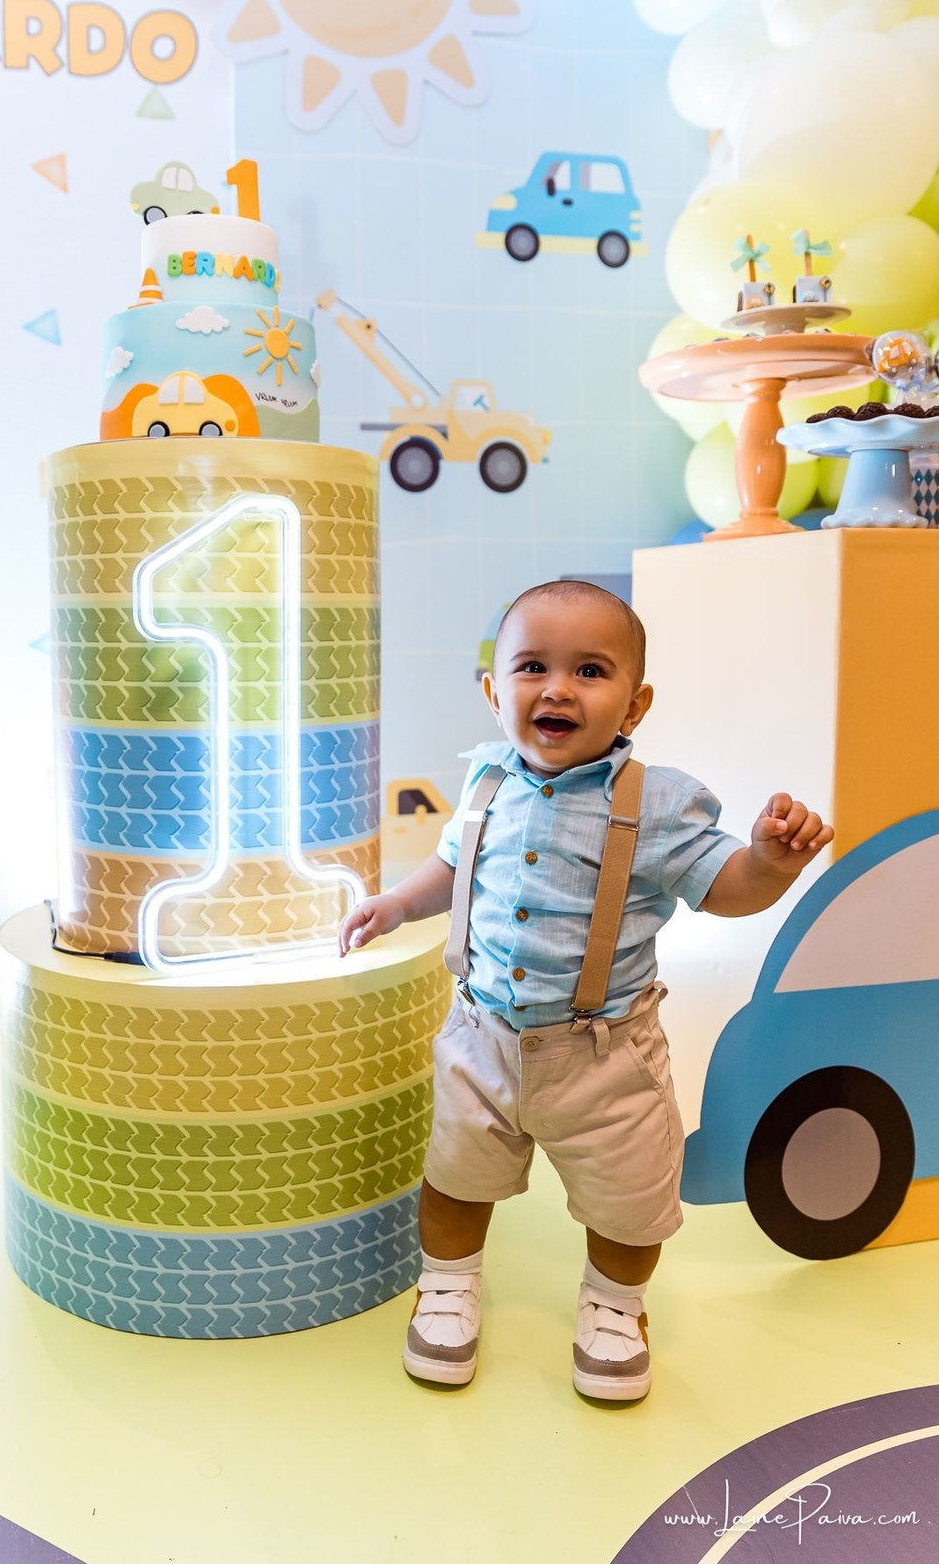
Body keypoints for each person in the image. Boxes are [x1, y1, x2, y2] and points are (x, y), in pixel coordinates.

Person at [337, 580, 833, 1401]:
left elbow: (724, 887)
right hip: (481, 1037)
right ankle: (449, 1287)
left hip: (604, 1057)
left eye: (590, 671)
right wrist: (397, 903)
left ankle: (614, 1306)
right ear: (496, 693)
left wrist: (770, 864)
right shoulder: (487, 780)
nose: (558, 688)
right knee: (455, 1177)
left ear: (633, 704)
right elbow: (454, 868)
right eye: (532, 667)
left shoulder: (659, 804)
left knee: (632, 1198)